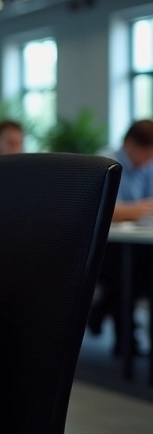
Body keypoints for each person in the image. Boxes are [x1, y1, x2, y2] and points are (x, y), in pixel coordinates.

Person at [88, 119, 153, 347]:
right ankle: (125, 340)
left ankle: (101, 313)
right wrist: (138, 209)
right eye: (145, 152)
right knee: (126, 272)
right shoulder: (106, 161)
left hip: (137, 245)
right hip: (105, 248)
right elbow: (102, 208)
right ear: (129, 144)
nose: (147, 159)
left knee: (143, 268)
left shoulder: (148, 167)